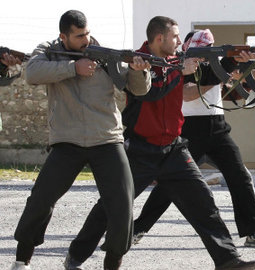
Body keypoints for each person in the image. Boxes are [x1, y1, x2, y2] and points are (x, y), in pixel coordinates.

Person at [65, 16, 255, 270]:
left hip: (174, 149)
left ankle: (227, 260)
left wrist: (234, 60)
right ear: (160, 38)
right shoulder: (135, 62)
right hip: (140, 150)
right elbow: (151, 90)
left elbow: (209, 74)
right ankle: (76, 257)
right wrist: (179, 69)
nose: (180, 41)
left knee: (204, 203)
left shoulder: (175, 60)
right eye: (176, 36)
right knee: (112, 206)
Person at [10, 10, 152, 270]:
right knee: (41, 200)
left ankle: (112, 264)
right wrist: (73, 68)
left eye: (87, 33)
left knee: (122, 207)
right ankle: (22, 261)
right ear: (63, 36)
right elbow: (33, 73)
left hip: (107, 140)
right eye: (79, 36)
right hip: (68, 142)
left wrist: (138, 71)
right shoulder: (49, 51)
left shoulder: (105, 55)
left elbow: (139, 89)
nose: (86, 40)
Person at [131, 29, 255, 249]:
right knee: (169, 186)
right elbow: (188, 93)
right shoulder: (180, 65)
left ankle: (254, 230)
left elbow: (234, 91)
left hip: (218, 128)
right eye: (203, 47)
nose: (206, 52)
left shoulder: (216, 65)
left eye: (209, 47)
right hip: (190, 129)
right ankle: (136, 229)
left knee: (240, 177)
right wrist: (219, 75)